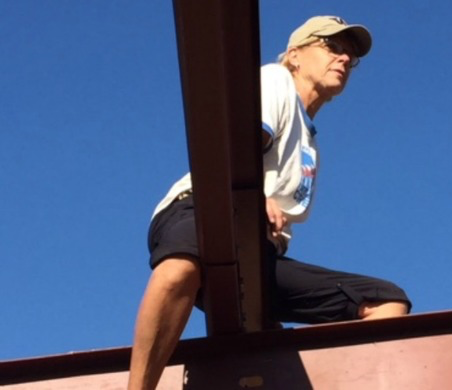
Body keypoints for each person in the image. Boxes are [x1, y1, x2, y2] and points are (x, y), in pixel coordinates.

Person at [128, 15, 411, 389]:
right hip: (202, 210)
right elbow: (238, 147)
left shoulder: (310, 144)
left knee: (387, 301)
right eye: (332, 47)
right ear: (295, 55)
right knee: (182, 267)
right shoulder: (275, 81)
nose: (344, 59)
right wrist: (251, 195)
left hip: (259, 254)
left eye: (350, 56)